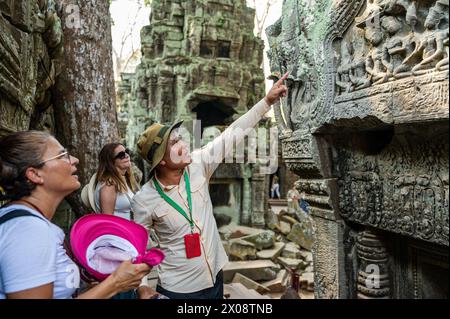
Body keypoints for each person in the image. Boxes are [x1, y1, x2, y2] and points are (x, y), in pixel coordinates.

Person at [131, 73, 289, 299]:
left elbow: (233, 134)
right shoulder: (145, 199)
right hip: (180, 289)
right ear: (161, 160)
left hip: (214, 275)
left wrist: (267, 102)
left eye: (181, 138)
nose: (184, 144)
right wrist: (143, 285)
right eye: (175, 143)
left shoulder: (198, 165)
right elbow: (138, 246)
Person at [0, 131, 151, 299]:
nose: (75, 160)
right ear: (34, 174)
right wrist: (115, 283)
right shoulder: (29, 232)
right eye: (62, 155)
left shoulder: (30, 223)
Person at [94, 143, 139, 221]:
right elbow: (108, 219)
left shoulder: (123, 179)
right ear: (110, 162)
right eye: (121, 155)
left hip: (127, 228)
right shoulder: (109, 184)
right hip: (116, 231)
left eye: (126, 151)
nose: (126, 155)